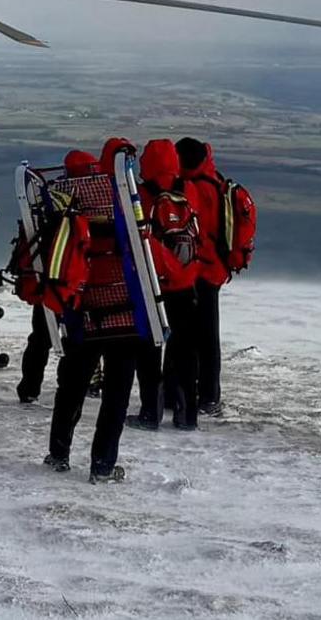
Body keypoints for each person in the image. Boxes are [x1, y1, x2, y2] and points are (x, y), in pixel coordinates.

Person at [44, 139, 143, 483]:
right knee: (117, 392)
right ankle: (102, 465)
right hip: (127, 311)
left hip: (82, 309)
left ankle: (58, 453)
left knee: (71, 385)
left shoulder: (62, 197)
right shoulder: (128, 196)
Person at [127, 139, 204, 431]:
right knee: (186, 352)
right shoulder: (189, 190)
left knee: (149, 351)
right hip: (186, 281)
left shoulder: (142, 194)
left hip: (153, 285)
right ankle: (188, 414)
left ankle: (151, 412)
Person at [15, 149, 99, 404]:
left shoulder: (49, 200)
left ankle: (29, 388)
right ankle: (80, 384)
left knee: (40, 337)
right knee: (80, 337)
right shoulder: (95, 200)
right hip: (77, 280)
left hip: (48, 280)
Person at [175, 137, 230, 416]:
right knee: (208, 335)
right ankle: (208, 395)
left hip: (200, 270)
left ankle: (201, 396)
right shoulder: (214, 180)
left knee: (195, 336)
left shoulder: (196, 188)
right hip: (215, 269)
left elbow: (194, 232)